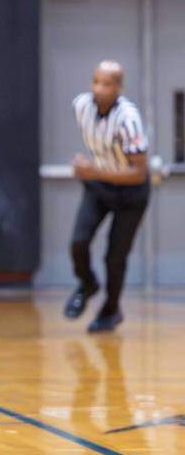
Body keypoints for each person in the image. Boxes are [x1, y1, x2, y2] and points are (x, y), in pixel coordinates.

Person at [64, 60, 150, 333]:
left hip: (131, 192)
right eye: (96, 82)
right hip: (100, 186)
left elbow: (139, 172)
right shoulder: (81, 106)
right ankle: (87, 284)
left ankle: (111, 310)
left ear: (119, 87)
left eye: (107, 83)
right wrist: (94, 167)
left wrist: (95, 170)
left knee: (115, 257)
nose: (99, 88)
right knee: (79, 242)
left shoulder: (128, 119)